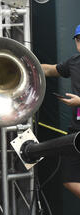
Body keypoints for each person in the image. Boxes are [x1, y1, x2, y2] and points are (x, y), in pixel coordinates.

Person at [41, 24, 80, 202]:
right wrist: (25, 64)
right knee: (69, 180)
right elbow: (50, 70)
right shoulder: (73, 62)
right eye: (78, 39)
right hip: (76, 131)